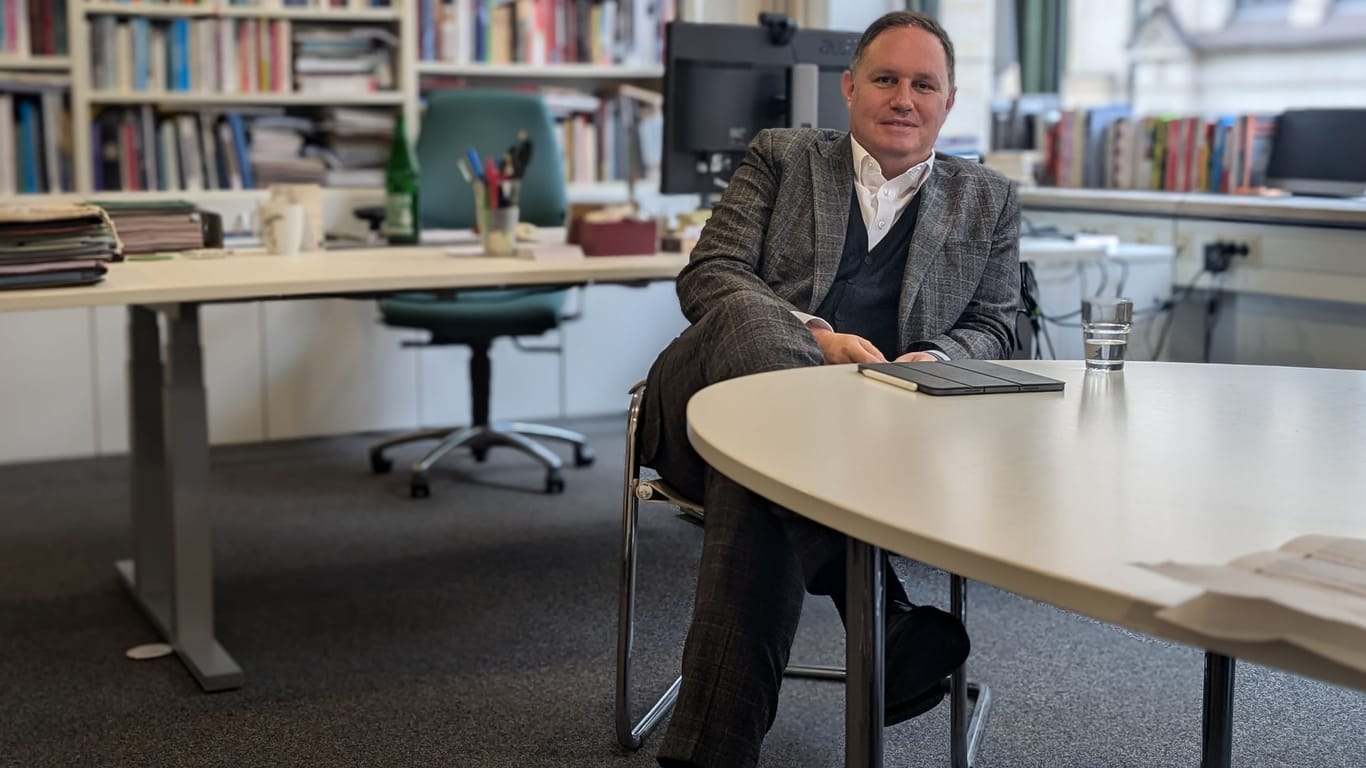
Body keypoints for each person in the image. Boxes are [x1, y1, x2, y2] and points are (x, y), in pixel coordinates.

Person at [638, 10, 1020, 768]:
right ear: (848, 88)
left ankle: (709, 754)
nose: (903, 97)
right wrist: (813, 339)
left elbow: (998, 327)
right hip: (708, 408)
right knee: (751, 311)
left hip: (860, 443)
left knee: (763, 475)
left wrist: (936, 360)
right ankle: (877, 609)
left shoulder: (989, 198)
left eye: (923, 84)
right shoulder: (781, 156)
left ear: (949, 101)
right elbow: (710, 276)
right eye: (885, 78)